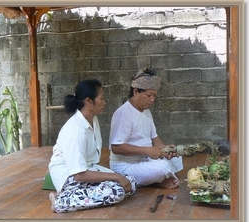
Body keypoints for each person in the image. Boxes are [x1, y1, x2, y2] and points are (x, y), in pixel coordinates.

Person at [48, 79, 137, 213]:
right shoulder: (75, 131)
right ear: (89, 101)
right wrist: (116, 177)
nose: (105, 102)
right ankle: (61, 202)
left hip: (88, 170)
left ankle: (74, 196)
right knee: (116, 191)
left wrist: (117, 178)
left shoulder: (93, 119)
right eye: (102, 98)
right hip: (70, 176)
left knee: (131, 182)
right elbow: (79, 175)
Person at [109, 68, 183, 189]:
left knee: (177, 157)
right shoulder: (123, 113)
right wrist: (147, 151)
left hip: (146, 159)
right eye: (149, 95)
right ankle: (157, 180)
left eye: (155, 96)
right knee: (162, 168)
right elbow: (116, 147)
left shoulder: (146, 111)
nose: (152, 100)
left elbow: (154, 137)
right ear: (136, 91)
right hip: (126, 166)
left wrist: (164, 150)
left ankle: (157, 178)